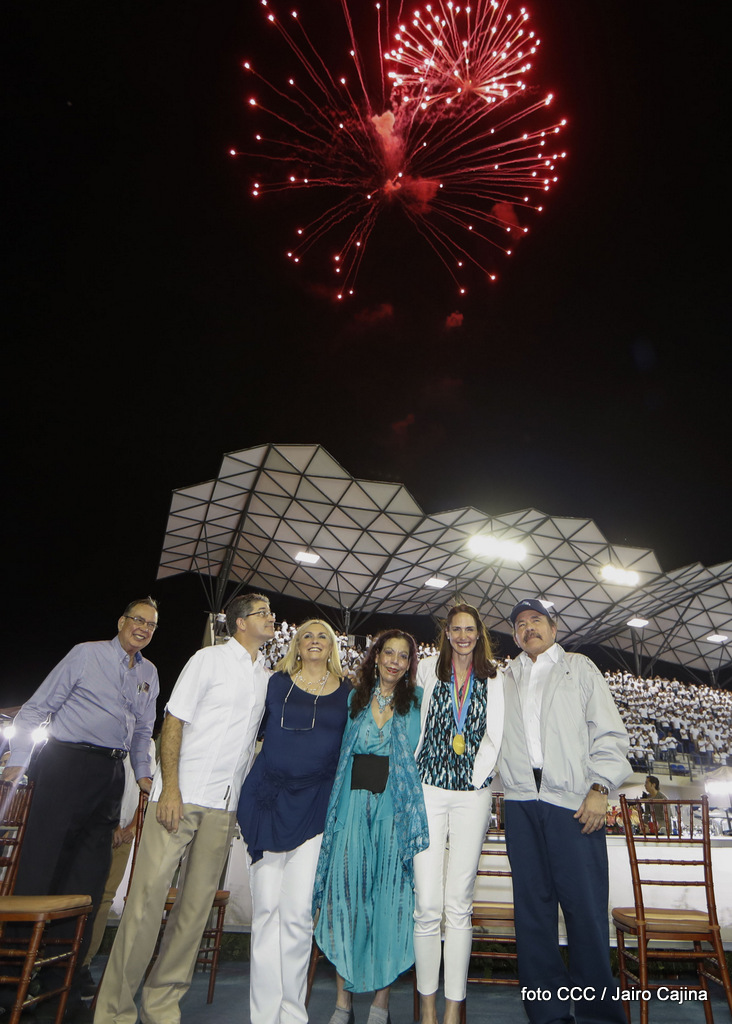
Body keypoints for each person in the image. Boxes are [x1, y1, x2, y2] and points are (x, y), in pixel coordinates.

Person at [95, 593, 274, 1024]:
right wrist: (170, 789)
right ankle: (114, 1012)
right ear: (240, 622)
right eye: (264, 613)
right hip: (180, 797)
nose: (272, 618)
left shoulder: (266, 677)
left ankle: (161, 1006)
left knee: (193, 915)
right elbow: (173, 721)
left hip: (224, 807)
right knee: (145, 905)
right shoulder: (208, 659)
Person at [1, 597, 159, 1018]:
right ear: (121, 621)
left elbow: (143, 733)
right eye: (138, 620)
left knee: (86, 884)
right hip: (65, 765)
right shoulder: (86, 655)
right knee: (40, 871)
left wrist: (144, 776)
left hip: (111, 775)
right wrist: (19, 761)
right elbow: (37, 708)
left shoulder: (149, 673)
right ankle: (11, 981)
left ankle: (63, 990)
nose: (144, 628)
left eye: (151, 625)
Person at [499, 598, 631, 1024]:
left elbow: (609, 733)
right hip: (521, 802)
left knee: (585, 912)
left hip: (574, 803)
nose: (528, 627)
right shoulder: (504, 677)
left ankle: (599, 1016)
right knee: (532, 916)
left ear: (554, 629)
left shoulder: (580, 668)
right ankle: (547, 1014)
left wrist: (600, 787)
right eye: (520, 624)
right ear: (515, 635)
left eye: (536, 620)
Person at [238, 619, 350, 1024]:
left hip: (317, 807)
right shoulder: (275, 684)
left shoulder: (349, 692)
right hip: (267, 802)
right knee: (266, 910)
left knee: (299, 915)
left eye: (322, 637)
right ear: (296, 645)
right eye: (307, 636)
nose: (314, 641)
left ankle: (292, 1014)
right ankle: (264, 1015)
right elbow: (246, 733)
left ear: (332, 647)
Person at [313, 630, 428, 1024]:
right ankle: (342, 1003)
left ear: (410, 664)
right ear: (376, 657)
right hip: (351, 808)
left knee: (390, 903)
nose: (394, 661)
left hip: (393, 814)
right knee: (344, 899)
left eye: (402, 656)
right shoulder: (353, 697)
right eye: (388, 653)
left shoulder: (417, 702)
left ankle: (381, 1004)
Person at [412, 604, 504, 1024]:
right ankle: (427, 1007)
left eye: (470, 629)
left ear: (478, 633)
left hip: (472, 794)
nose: (463, 636)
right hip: (428, 789)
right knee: (427, 905)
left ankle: (452, 1010)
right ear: (446, 633)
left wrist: (478, 778)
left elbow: (495, 734)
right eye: (456, 629)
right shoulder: (428, 670)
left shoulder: (494, 677)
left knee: (459, 905)